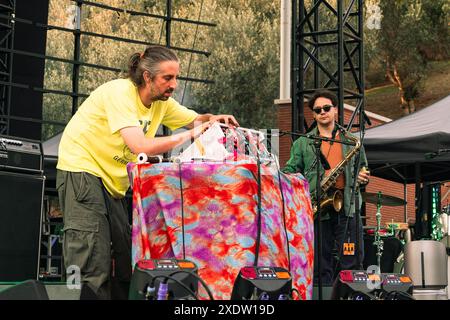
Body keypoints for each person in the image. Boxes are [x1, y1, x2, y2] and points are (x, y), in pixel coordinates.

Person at [56, 45, 239, 299]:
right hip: (81, 169)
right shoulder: (119, 93)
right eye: (167, 78)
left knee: (124, 261)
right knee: (90, 258)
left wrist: (215, 119)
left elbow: (197, 120)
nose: (174, 84)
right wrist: (190, 134)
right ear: (147, 77)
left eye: (176, 77)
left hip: (112, 183)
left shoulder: (161, 103)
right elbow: (140, 145)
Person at [282, 89, 370, 286]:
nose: (322, 112)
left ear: (335, 110)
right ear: (313, 114)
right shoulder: (303, 143)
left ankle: (351, 296)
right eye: (318, 110)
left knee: (352, 260)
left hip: (347, 206)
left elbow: (363, 169)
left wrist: (363, 176)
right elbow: (289, 172)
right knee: (321, 264)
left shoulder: (351, 141)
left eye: (326, 108)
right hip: (318, 208)